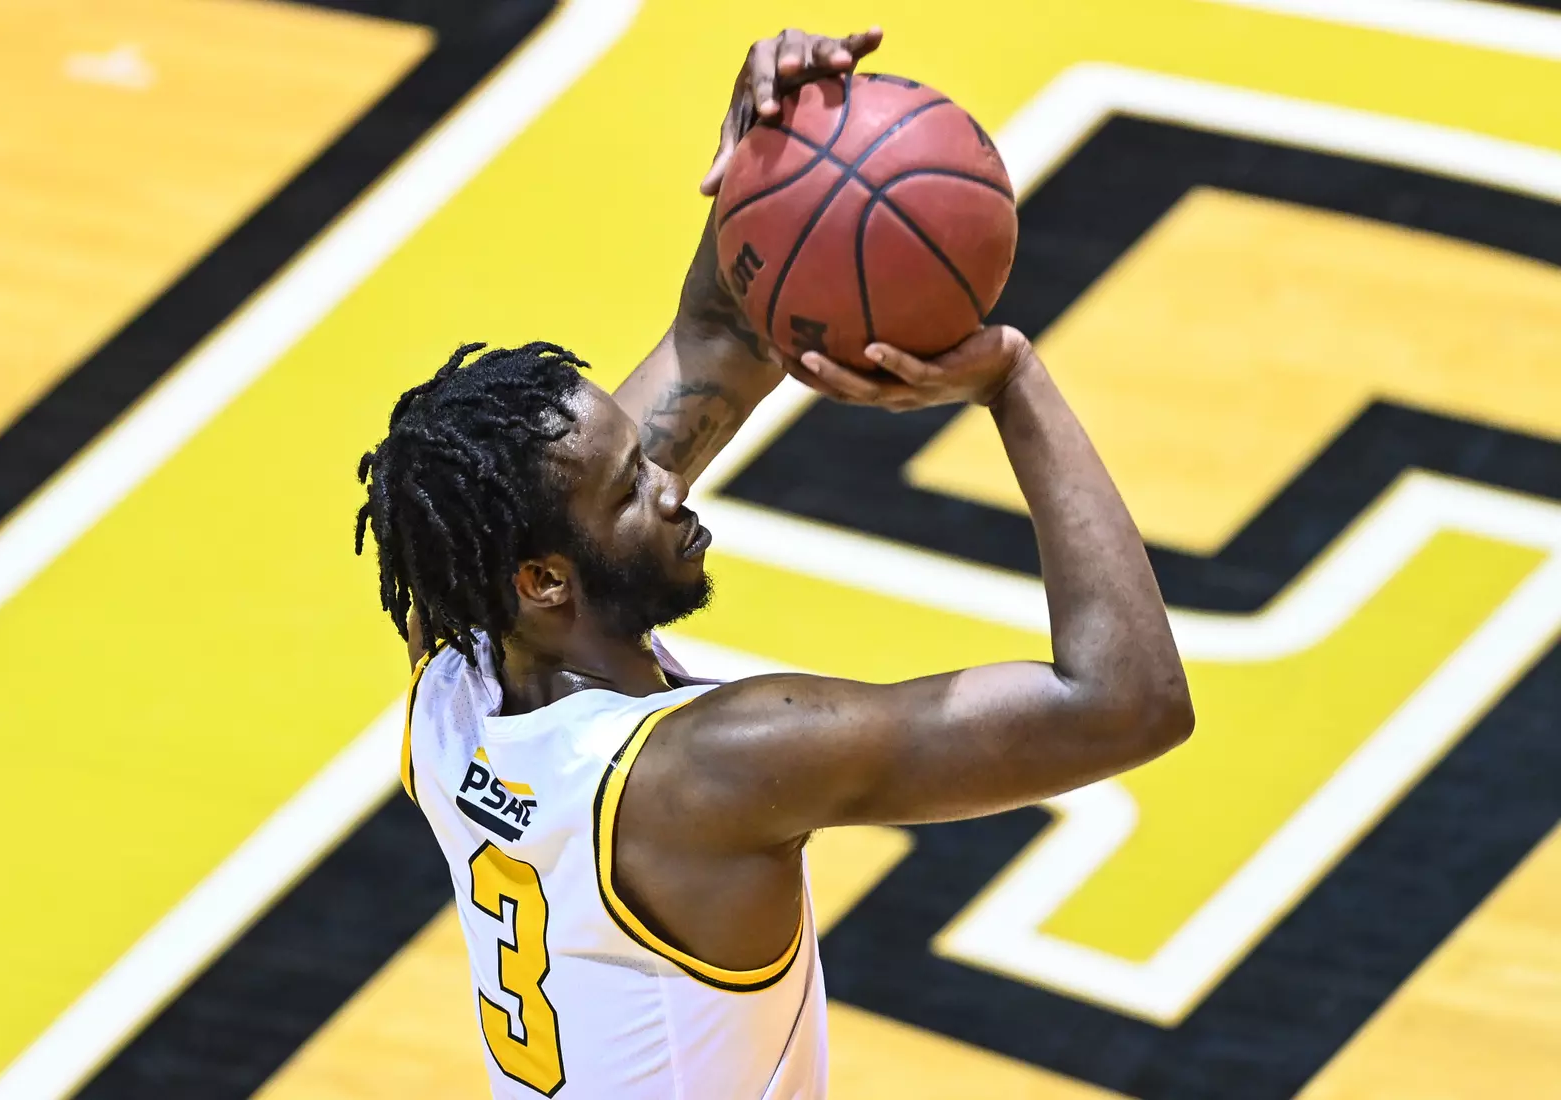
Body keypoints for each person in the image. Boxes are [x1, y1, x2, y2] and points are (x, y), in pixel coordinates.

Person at [354, 25, 1192, 1100]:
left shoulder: (452, 667)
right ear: (545, 579)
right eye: (631, 487)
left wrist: (772, 149)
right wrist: (1011, 381)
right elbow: (1127, 703)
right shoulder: (713, 768)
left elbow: (716, 336)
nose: (669, 479)